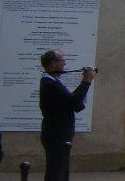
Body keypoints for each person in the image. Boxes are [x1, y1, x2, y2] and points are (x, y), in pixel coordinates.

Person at [38, 51, 93, 181]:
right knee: (56, 173)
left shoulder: (54, 81)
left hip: (59, 133)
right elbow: (73, 101)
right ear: (53, 63)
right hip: (56, 134)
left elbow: (73, 102)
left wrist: (84, 83)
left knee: (60, 171)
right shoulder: (50, 84)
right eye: (62, 60)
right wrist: (86, 81)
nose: (65, 63)